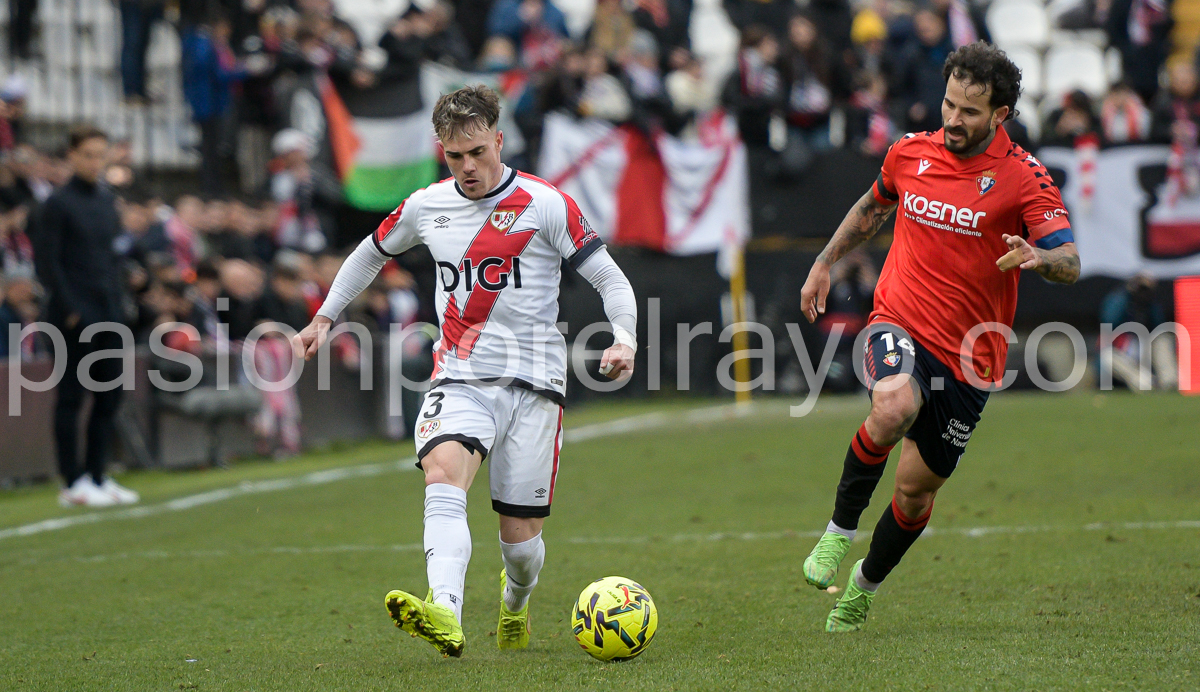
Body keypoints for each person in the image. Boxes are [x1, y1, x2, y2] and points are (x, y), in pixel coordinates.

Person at [292, 85, 637, 656]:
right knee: (443, 474)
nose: (468, 166)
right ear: (441, 152)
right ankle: (445, 612)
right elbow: (370, 251)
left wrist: (623, 336)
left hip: (535, 386)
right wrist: (326, 316)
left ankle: (515, 602)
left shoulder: (546, 203)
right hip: (460, 375)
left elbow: (610, 279)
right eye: (455, 156)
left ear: (498, 140)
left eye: (478, 151)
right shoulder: (426, 206)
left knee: (520, 542)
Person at [797, 42, 1080, 631]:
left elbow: (1070, 260)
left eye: (969, 112)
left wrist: (1039, 258)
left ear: (1000, 115)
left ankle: (864, 587)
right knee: (893, 405)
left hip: (972, 357)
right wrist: (825, 260)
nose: (952, 119)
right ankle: (836, 532)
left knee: (914, 494)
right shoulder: (910, 153)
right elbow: (873, 209)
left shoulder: (1024, 178)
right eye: (949, 104)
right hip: (897, 318)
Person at [31, 126, 141, 508]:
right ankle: (72, 481)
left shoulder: (107, 201)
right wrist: (70, 306)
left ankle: (97, 474)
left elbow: (111, 256)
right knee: (72, 397)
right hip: (73, 315)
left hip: (108, 309)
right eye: (89, 154)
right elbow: (47, 262)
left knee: (110, 396)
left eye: (101, 154)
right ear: (72, 156)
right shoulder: (57, 204)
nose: (96, 161)